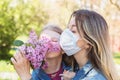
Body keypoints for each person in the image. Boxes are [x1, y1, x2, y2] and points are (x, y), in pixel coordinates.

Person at [60, 10, 118, 80]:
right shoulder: (73, 69)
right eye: (68, 29)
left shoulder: (95, 78)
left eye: (73, 31)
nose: (66, 34)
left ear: (89, 43)